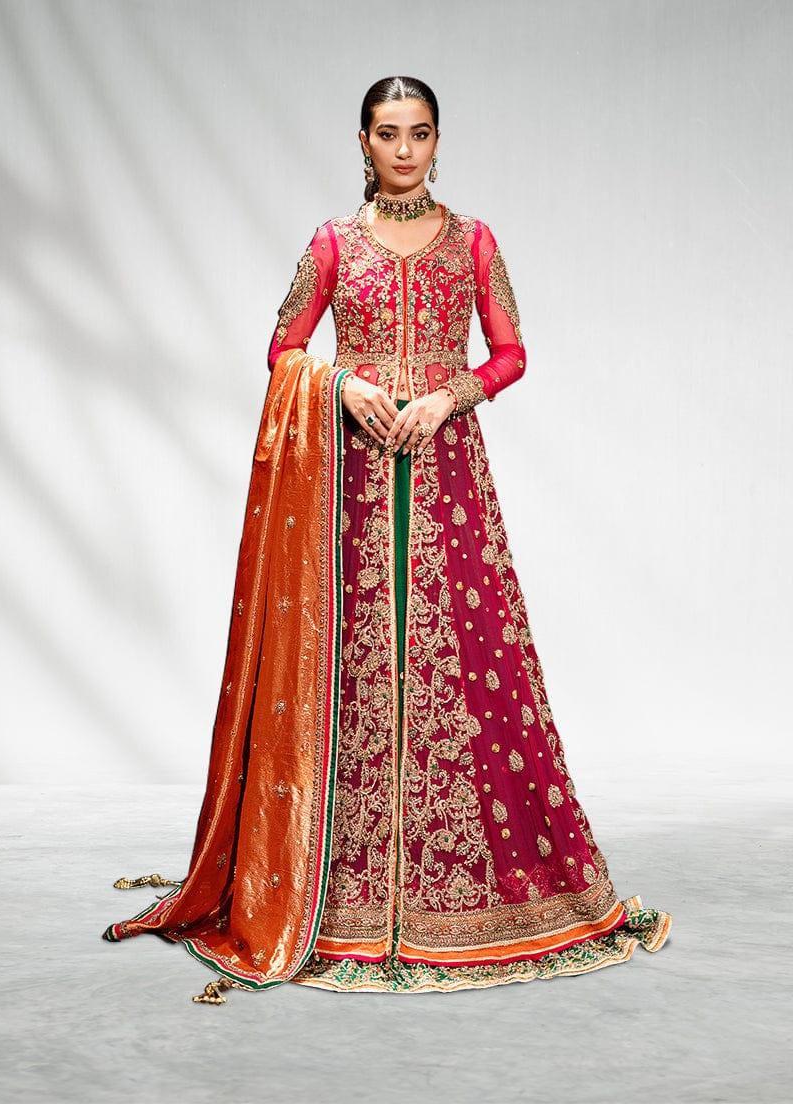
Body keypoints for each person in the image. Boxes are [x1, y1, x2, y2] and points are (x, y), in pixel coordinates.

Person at [102, 76, 672, 1003]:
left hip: (448, 474)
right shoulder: (333, 242)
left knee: (469, 662)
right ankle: (340, 893)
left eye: (420, 133)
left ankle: (470, 887)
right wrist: (342, 387)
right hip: (351, 478)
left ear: (439, 140)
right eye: (387, 134)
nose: (404, 150)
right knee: (357, 664)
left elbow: (513, 352)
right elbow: (283, 348)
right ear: (362, 142)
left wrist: (451, 396)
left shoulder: (474, 241)